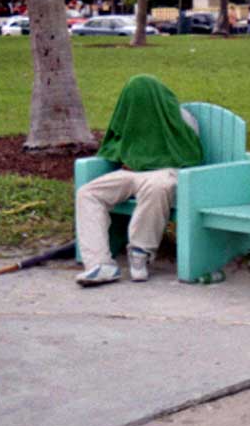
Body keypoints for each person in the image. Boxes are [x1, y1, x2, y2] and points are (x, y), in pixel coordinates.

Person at [75, 75, 203, 287]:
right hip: (131, 171)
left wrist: (154, 159)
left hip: (165, 171)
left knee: (158, 187)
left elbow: (189, 151)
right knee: (88, 193)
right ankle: (99, 263)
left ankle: (140, 252)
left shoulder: (180, 117)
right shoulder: (130, 113)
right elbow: (116, 143)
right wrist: (129, 158)